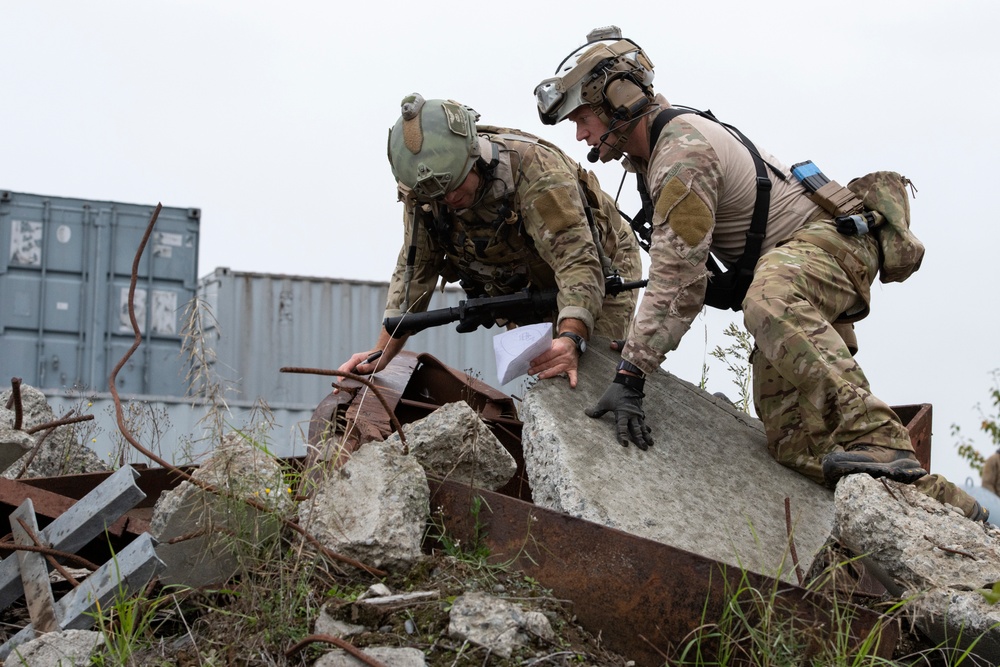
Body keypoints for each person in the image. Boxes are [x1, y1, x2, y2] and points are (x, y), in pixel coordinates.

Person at [534, 27, 987, 520]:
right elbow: (684, 271)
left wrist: (632, 373)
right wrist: (644, 342)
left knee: (766, 299)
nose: (580, 135)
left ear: (617, 100)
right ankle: (952, 513)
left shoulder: (681, 152)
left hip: (828, 249)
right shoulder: (651, 160)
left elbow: (677, 282)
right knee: (795, 442)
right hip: (792, 270)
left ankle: (876, 434)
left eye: (582, 118)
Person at [338, 93, 642, 389]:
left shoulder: (536, 171)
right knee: (550, 378)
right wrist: (381, 352)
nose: (449, 198)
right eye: (437, 195)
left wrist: (572, 336)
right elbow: (415, 272)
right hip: (526, 286)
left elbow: (576, 261)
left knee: (589, 374)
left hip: (603, 272)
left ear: (475, 158)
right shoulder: (426, 195)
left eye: (455, 185)